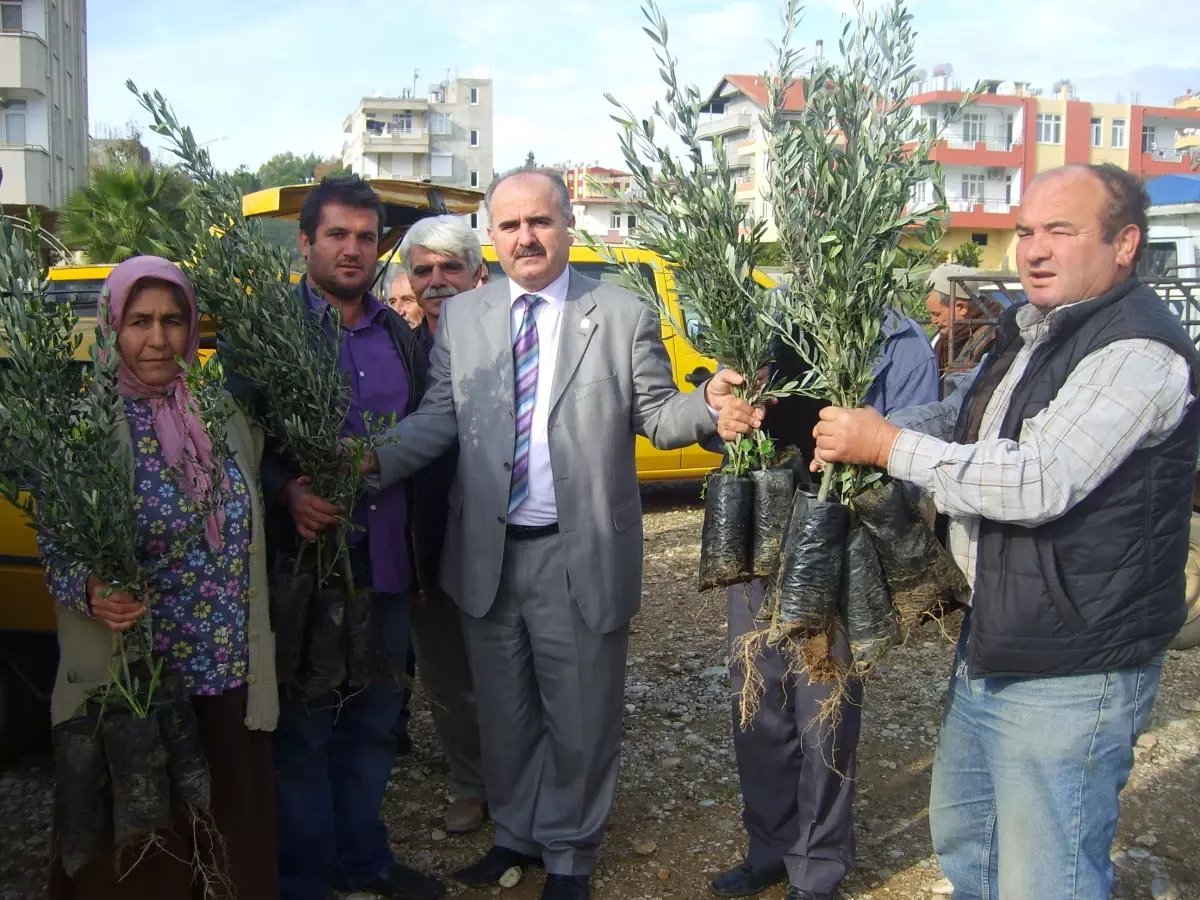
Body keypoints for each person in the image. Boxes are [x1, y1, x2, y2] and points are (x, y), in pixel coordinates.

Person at [360, 167, 758, 900]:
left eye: (540, 221)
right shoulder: (467, 317)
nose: (526, 237)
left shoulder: (621, 313)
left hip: (576, 556)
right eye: (509, 225)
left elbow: (658, 417)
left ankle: (570, 855)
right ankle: (514, 835)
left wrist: (705, 404)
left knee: (579, 716)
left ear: (568, 226)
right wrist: (369, 464)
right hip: (486, 555)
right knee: (504, 716)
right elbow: (442, 416)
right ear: (493, 237)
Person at [810, 163, 1200, 900]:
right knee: (971, 844)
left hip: (1075, 661)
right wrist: (839, 424)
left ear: (1125, 244)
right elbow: (962, 423)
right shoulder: (1030, 330)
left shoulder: (1138, 351)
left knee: (1045, 876)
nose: (1035, 249)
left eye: (1061, 230)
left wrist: (888, 447)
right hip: (1000, 636)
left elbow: (1038, 478)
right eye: (1025, 232)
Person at [43, 256, 277, 900]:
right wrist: (89, 590)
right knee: (144, 845)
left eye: (173, 320)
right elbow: (58, 544)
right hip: (141, 676)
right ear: (112, 326)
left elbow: (253, 506)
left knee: (227, 828)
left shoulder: (221, 412)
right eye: (140, 321)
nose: (158, 339)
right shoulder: (85, 424)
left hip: (225, 663)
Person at [713, 309, 938, 900]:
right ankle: (768, 846)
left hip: (836, 546)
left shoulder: (900, 340)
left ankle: (816, 869)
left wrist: (862, 461)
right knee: (756, 700)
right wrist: (724, 409)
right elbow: (724, 404)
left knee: (824, 712)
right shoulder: (765, 315)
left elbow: (919, 444)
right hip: (759, 535)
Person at [265, 177, 443, 900]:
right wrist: (287, 490)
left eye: (366, 238)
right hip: (305, 564)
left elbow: (427, 435)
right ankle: (303, 880)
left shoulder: (398, 336)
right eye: (336, 235)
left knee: (373, 723)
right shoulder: (271, 331)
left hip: (387, 562)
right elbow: (236, 440)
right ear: (306, 241)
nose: (352, 249)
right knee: (303, 732)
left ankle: (363, 864)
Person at [396, 214, 491, 833]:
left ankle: (523, 782)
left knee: (508, 670)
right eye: (424, 270)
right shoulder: (397, 352)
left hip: (501, 537)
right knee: (448, 674)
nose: (437, 281)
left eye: (450, 267)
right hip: (424, 541)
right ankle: (469, 781)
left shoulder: (510, 341)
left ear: (479, 274)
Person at [923, 263, 998, 376]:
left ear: (961, 307)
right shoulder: (947, 336)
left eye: (937, 314)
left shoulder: (991, 340)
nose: (934, 321)